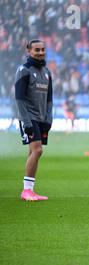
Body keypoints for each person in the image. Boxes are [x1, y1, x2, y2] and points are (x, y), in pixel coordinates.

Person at [15, 39, 53, 201]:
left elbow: (49, 99)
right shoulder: (24, 70)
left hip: (42, 118)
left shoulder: (47, 72)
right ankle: (26, 191)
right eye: (37, 50)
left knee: (33, 151)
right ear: (29, 51)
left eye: (43, 49)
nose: (41, 52)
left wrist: (49, 118)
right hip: (29, 117)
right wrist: (27, 122)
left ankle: (29, 191)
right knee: (38, 150)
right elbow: (19, 99)